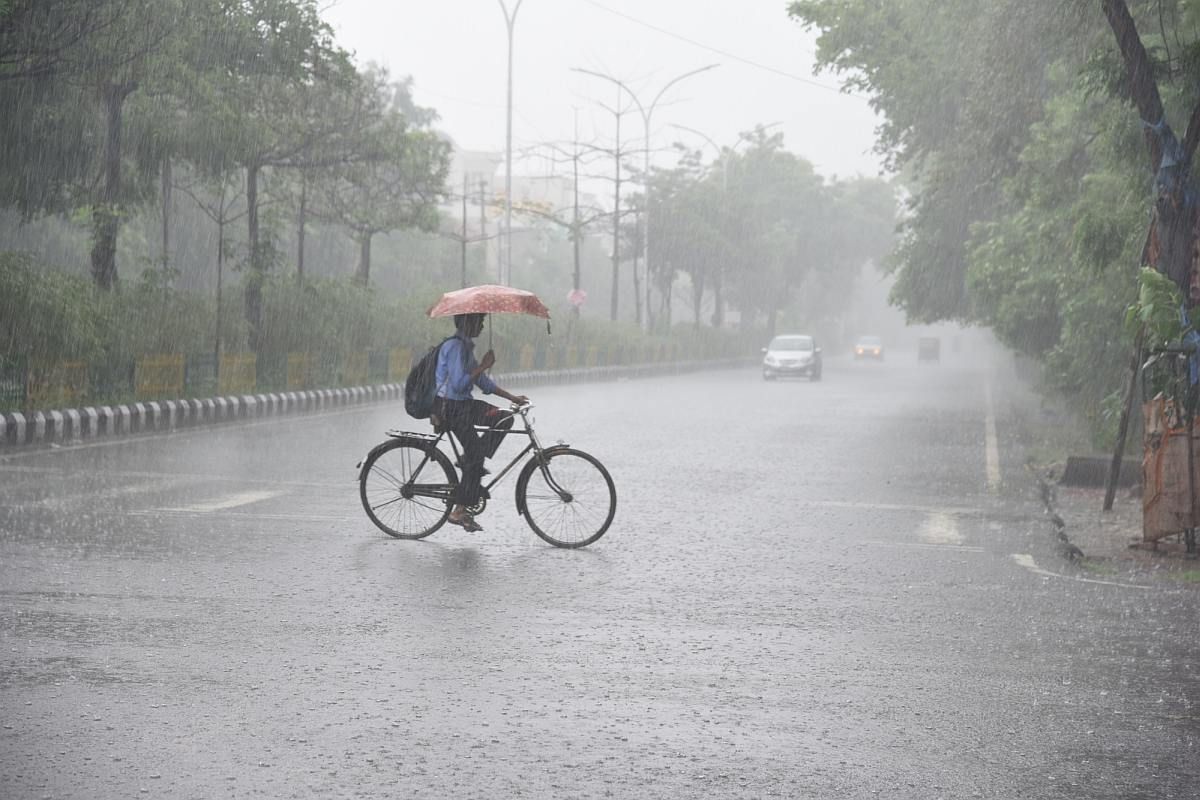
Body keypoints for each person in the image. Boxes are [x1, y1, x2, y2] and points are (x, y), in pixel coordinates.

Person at [432, 312, 528, 531]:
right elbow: (458, 384)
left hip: (464, 405)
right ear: (468, 322)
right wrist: (483, 365)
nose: (483, 326)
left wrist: (512, 398)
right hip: (451, 407)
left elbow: (483, 383)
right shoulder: (455, 347)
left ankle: (470, 461)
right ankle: (459, 510)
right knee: (476, 457)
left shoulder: (465, 347)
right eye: (480, 321)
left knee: (503, 417)